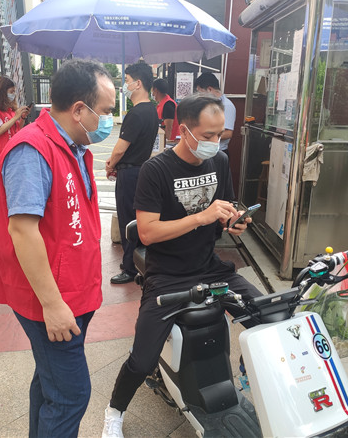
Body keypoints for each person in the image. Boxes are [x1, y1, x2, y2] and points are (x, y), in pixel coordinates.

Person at [102, 94, 262, 438]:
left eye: (220, 134)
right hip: (167, 274)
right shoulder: (156, 170)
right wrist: (201, 217)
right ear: (184, 130)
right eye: (207, 135)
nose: (215, 142)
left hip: (210, 266)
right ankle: (114, 411)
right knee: (142, 359)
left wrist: (233, 221)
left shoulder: (219, 161)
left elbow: (225, 209)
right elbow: (147, 232)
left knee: (266, 315)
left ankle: (246, 377)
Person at [0, 60, 116, 438]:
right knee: (70, 395)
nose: (108, 121)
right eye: (106, 111)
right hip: (50, 299)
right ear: (79, 110)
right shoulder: (32, 150)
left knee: (51, 385)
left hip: (72, 290)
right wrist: (53, 304)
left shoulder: (72, 146)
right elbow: (22, 230)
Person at [106, 62, 158, 285]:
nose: (124, 86)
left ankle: (130, 268)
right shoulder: (152, 111)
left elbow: (120, 149)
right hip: (142, 170)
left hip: (129, 174)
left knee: (128, 219)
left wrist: (110, 165)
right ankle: (135, 260)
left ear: (138, 83)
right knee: (138, 219)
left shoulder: (136, 113)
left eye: (126, 81)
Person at [194, 72, 236, 159]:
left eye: (201, 92)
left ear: (209, 89)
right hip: (206, 151)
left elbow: (228, 133)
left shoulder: (226, 105)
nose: (200, 96)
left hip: (218, 153)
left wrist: (203, 137)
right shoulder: (209, 104)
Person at [0, 75, 31, 154]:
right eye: (11, 92)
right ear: (2, 92)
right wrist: (15, 117)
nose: (13, 94)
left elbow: (17, 128)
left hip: (13, 148)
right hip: (1, 151)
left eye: (14, 92)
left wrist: (23, 117)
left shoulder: (9, 109)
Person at [151, 78, 179, 145]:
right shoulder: (162, 104)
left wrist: (164, 144)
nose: (152, 94)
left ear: (156, 90)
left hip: (171, 142)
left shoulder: (168, 104)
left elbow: (168, 128)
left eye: (152, 91)